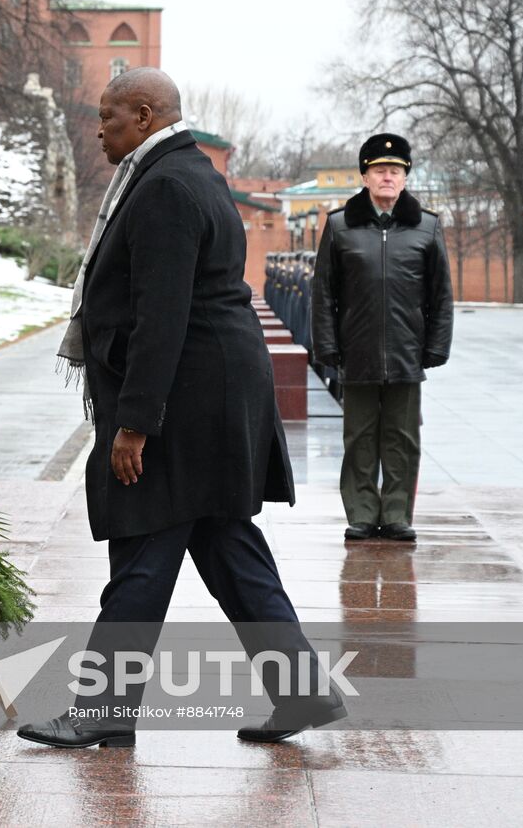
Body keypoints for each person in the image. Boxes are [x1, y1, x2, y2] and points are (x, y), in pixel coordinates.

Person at [28, 67, 343, 749]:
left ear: (144, 114)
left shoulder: (166, 186)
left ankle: (103, 710)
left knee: (144, 548)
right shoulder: (185, 172)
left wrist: (136, 424)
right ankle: (303, 692)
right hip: (213, 395)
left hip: (184, 403)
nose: (100, 129)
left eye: (109, 117)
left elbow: (161, 315)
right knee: (227, 548)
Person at [311, 134, 453, 542]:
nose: (387, 177)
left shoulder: (426, 226)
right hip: (356, 351)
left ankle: (395, 514)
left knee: (403, 438)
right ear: (365, 176)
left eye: (395, 170)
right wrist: (327, 347)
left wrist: (437, 346)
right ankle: (360, 512)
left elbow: (441, 295)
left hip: (407, 353)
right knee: (358, 436)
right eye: (379, 170)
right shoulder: (341, 226)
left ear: (405, 178)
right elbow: (324, 294)